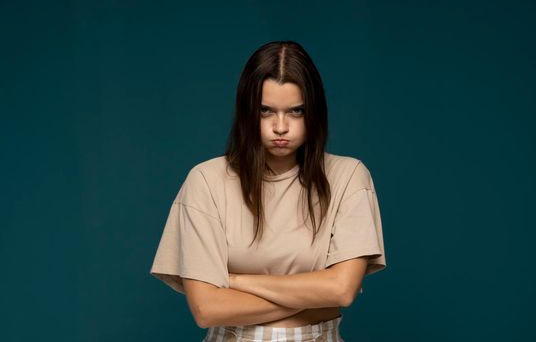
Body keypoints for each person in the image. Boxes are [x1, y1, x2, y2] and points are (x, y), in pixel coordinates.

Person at [149, 40, 387, 342]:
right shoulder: (206, 180)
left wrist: (235, 281)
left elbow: (341, 290)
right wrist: (314, 297)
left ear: (314, 112)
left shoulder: (348, 176)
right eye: (265, 111)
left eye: (296, 111)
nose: (281, 127)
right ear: (247, 111)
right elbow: (207, 309)